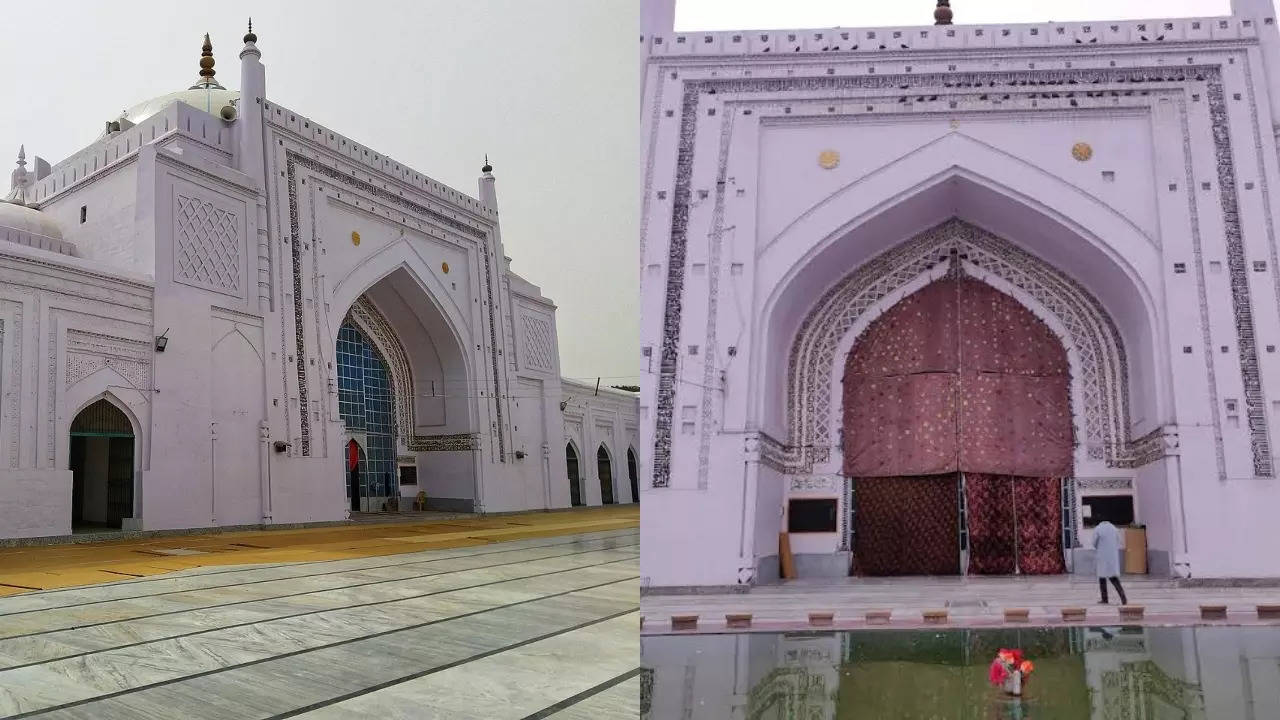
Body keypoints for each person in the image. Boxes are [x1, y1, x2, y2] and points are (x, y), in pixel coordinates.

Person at [1092, 520, 1128, 605]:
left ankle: (1105, 599)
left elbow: (1094, 543)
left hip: (1102, 556)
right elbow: (1119, 541)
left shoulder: (1098, 529)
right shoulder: (1114, 528)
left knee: (1102, 578)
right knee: (1113, 578)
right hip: (1112, 556)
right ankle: (1123, 598)